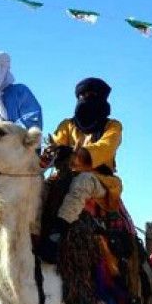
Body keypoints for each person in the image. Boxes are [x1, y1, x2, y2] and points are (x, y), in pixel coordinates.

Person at [39, 77, 125, 263]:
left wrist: (74, 154)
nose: (85, 99)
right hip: (63, 177)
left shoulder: (112, 127)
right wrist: (50, 154)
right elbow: (55, 145)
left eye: (91, 95)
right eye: (81, 96)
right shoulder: (67, 125)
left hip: (100, 181)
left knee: (83, 181)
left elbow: (104, 148)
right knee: (38, 188)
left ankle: (57, 234)